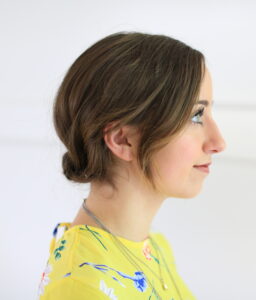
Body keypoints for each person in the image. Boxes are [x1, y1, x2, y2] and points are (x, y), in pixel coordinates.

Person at [37, 31, 226, 300]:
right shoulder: (82, 287)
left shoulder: (153, 248)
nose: (219, 142)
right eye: (196, 115)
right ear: (122, 139)